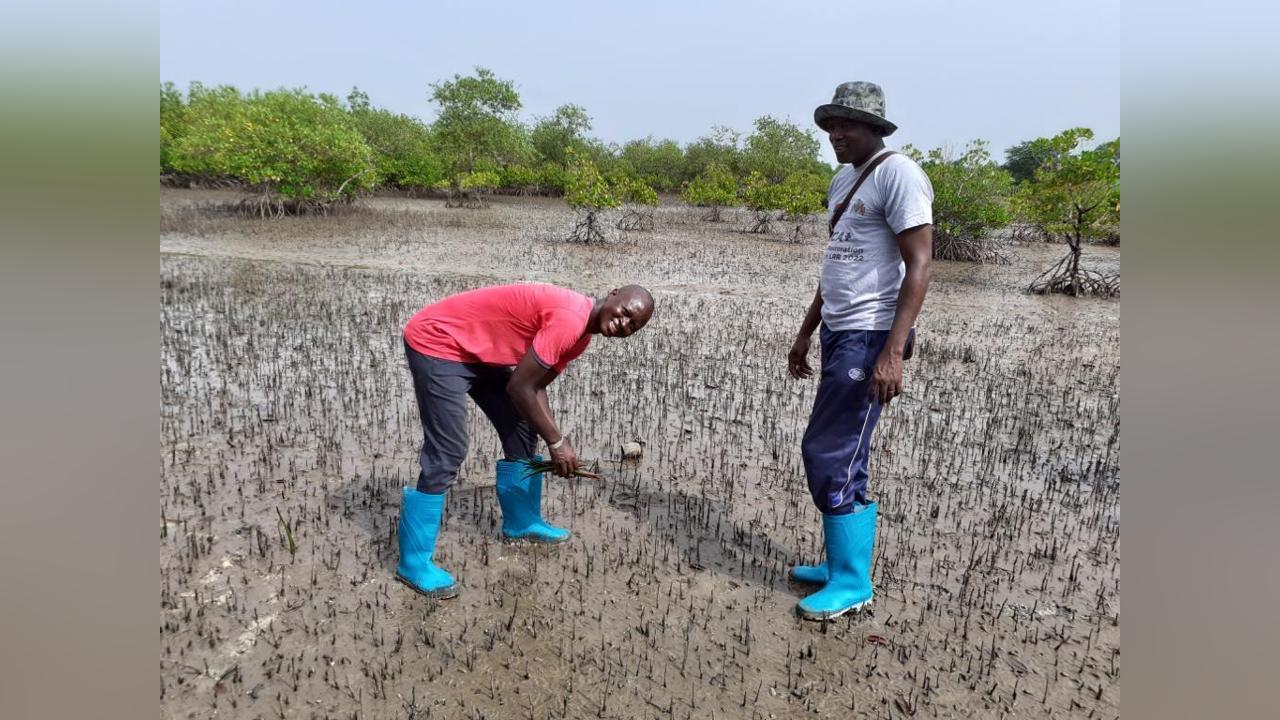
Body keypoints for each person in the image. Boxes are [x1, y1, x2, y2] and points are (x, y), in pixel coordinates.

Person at [395, 283, 655, 598]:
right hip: (437, 341)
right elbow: (520, 387)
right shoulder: (570, 319)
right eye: (626, 313)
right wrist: (557, 443)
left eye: (634, 325)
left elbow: (533, 387)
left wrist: (555, 441)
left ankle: (522, 522)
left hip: (477, 353)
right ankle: (413, 562)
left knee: (521, 424)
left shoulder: (581, 336)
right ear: (613, 295)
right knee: (448, 450)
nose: (624, 324)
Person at [787, 81, 934, 621]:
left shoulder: (899, 174)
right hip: (839, 330)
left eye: (847, 125)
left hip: (871, 335)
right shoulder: (842, 179)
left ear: (876, 128)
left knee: (828, 451)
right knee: (848, 452)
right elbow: (837, 265)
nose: (836, 135)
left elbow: (919, 265)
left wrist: (892, 352)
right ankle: (837, 565)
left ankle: (852, 582)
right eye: (830, 125)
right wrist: (806, 332)